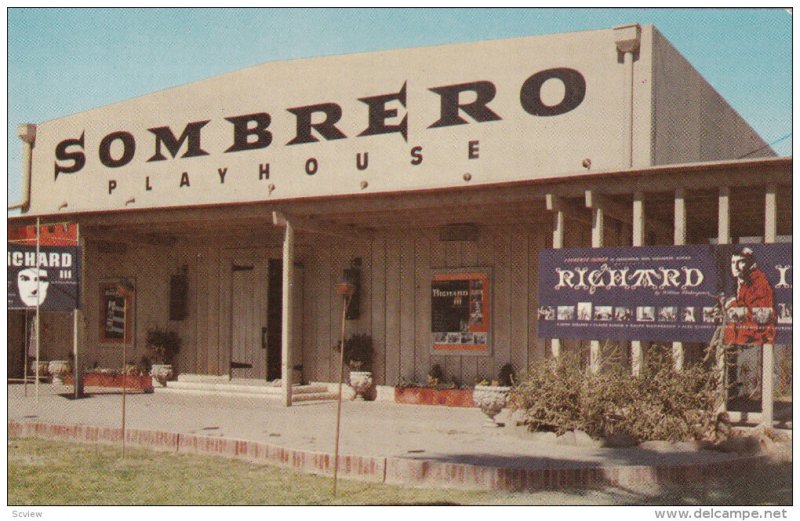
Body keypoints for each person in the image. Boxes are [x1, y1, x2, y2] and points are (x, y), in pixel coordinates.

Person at [723, 248, 776, 345]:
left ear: (750, 264)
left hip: (757, 339)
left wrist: (733, 307)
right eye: (733, 262)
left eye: (740, 262)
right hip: (743, 339)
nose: (735, 267)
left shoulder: (759, 283)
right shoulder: (741, 282)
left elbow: (762, 316)